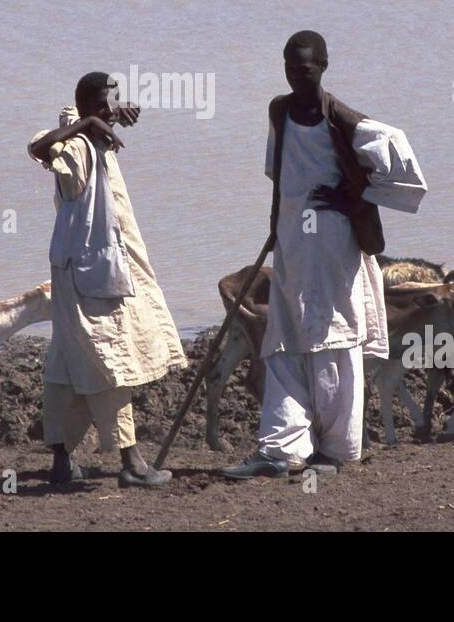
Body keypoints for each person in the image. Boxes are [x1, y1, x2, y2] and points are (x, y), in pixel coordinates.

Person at [222, 31, 427, 479]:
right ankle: (282, 449)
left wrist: (354, 193)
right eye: (290, 68)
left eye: (306, 68)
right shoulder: (280, 110)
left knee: (334, 336)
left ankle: (335, 451)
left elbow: (398, 157)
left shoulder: (342, 118)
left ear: (324, 65)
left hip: (334, 242)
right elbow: (280, 176)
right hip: (293, 240)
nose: (297, 75)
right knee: (285, 336)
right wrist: (274, 226)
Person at [28, 72, 188, 487]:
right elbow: (38, 147)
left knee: (67, 365)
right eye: (101, 105)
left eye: (113, 104)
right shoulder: (78, 146)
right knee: (111, 360)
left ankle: (61, 463)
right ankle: (132, 463)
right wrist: (88, 125)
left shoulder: (99, 140)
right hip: (90, 275)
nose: (110, 112)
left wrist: (107, 119)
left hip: (85, 271)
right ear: (83, 109)